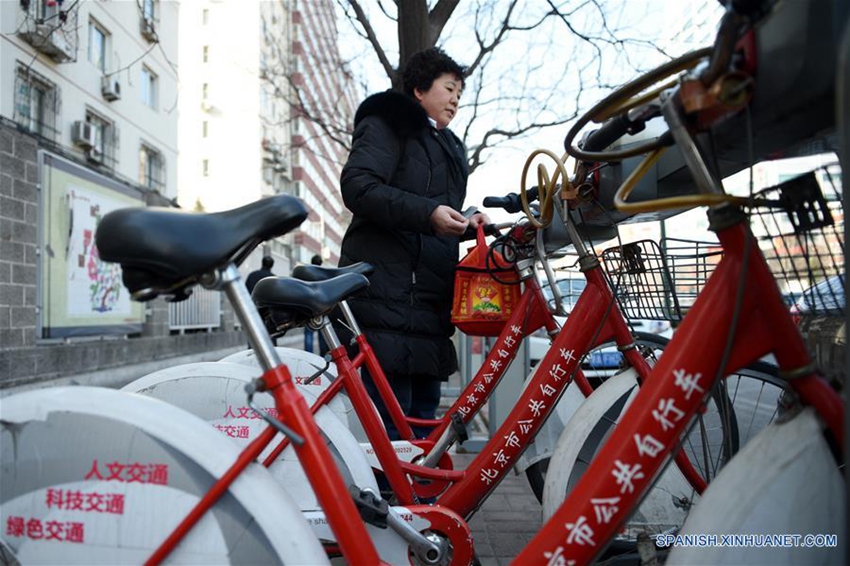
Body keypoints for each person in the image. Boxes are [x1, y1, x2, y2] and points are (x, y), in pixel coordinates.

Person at [337, 47, 489, 439]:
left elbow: (440, 211)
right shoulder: (389, 123)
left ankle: (416, 500)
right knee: (389, 436)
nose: (457, 98)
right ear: (419, 89)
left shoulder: (447, 147)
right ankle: (382, 501)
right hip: (384, 302)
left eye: (461, 92)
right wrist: (428, 215)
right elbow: (359, 186)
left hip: (428, 309)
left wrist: (468, 221)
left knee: (422, 431)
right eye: (450, 87)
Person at [304, 254, 329, 356]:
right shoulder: (324, 275)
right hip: (322, 308)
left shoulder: (306, 274)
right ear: (321, 263)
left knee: (309, 333)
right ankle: (323, 356)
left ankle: (308, 355)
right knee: (322, 334)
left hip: (309, 308)